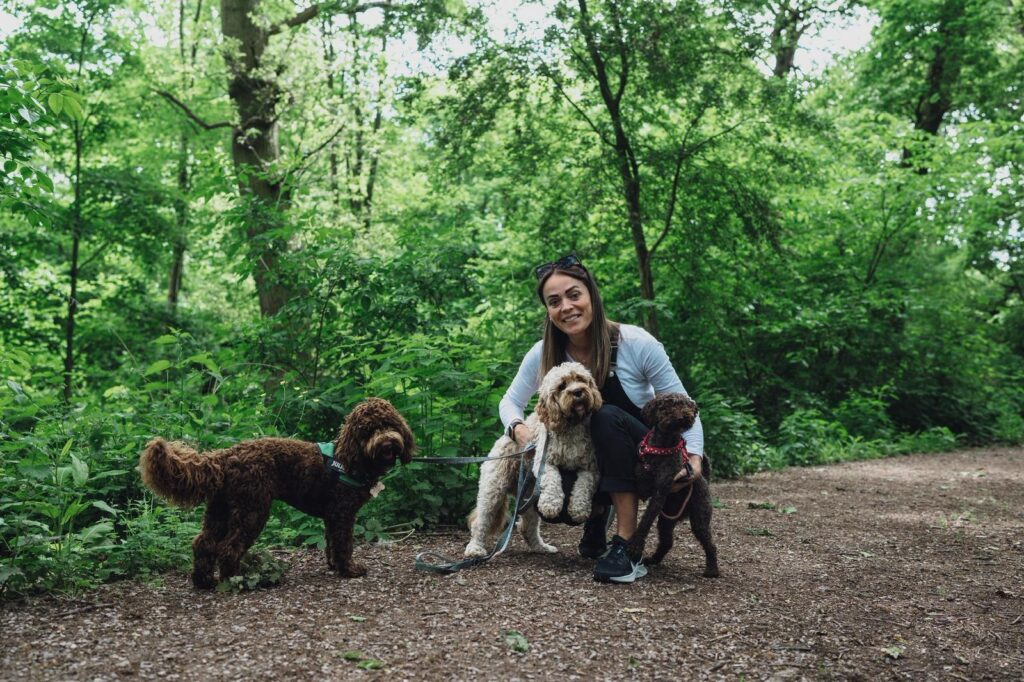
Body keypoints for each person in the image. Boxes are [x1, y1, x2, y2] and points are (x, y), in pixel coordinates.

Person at [499, 254, 705, 584]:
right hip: (584, 458)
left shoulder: (636, 343)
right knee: (560, 506)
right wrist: (518, 429)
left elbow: (684, 403)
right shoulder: (543, 353)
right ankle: (598, 514)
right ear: (548, 312)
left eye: (574, 295)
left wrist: (694, 458)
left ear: (592, 295)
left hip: (641, 456)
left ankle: (627, 546)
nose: (566, 307)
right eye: (554, 301)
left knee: (604, 416)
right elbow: (510, 402)